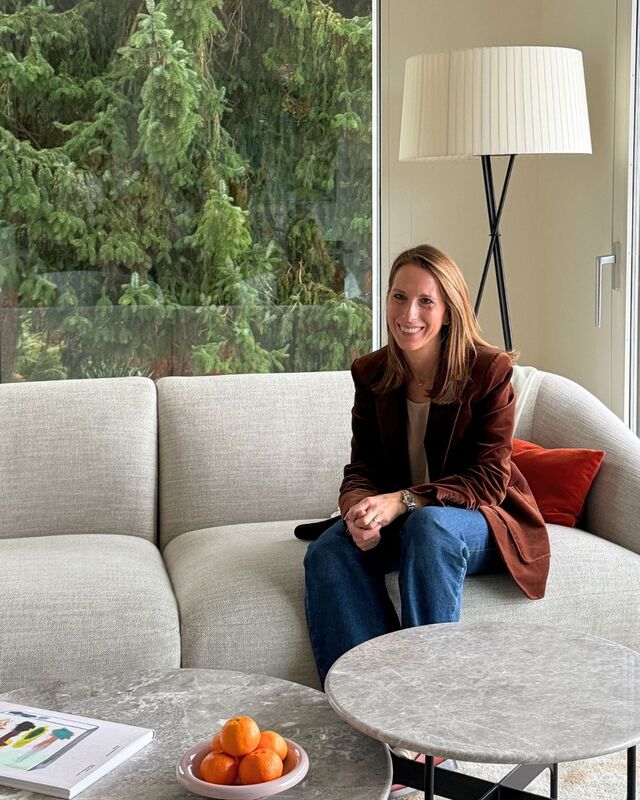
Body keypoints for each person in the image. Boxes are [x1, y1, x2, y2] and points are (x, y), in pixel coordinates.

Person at [304, 244, 550, 686]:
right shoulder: (372, 373)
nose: (408, 313)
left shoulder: (488, 370)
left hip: (481, 519)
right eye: (399, 297)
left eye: (425, 301)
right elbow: (362, 468)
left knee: (429, 525)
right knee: (329, 550)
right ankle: (370, 696)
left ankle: (431, 700)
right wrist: (359, 508)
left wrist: (402, 501)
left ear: (449, 311)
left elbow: (489, 480)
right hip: (407, 518)